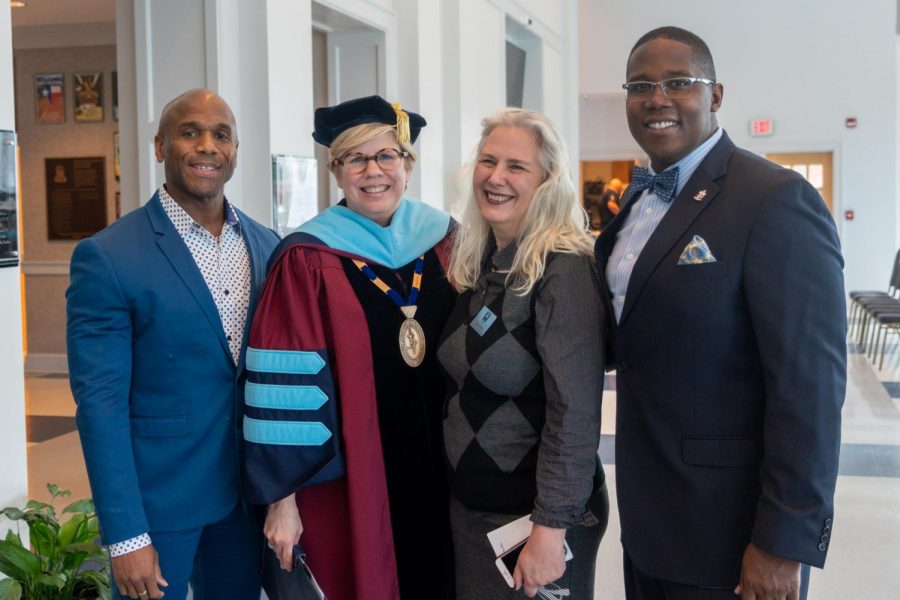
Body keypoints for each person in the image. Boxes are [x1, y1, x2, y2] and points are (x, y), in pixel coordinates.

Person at [595, 27, 846, 600]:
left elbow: (809, 387)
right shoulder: (636, 203)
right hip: (651, 517)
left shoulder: (773, 198)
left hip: (732, 534)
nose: (657, 98)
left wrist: (784, 541)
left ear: (716, 95)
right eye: (640, 86)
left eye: (679, 82)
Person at [67, 89, 280, 600]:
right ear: (161, 147)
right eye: (190, 132)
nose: (206, 146)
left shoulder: (268, 245)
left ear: (234, 151)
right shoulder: (108, 256)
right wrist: (125, 535)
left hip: (245, 502)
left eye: (220, 135)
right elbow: (101, 406)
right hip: (158, 507)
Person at [244, 95, 456, 600]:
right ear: (336, 171)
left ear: (407, 164)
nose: (373, 171)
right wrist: (282, 500)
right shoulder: (306, 257)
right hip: (355, 478)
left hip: (450, 470)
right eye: (355, 159)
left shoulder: (447, 241)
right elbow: (284, 390)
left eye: (386, 156)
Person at [439, 107, 609, 599]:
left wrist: (551, 528)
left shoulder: (565, 269)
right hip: (474, 512)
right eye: (488, 161)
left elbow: (574, 412)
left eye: (516, 167)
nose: (496, 177)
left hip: (535, 522)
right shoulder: (482, 263)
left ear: (548, 181)